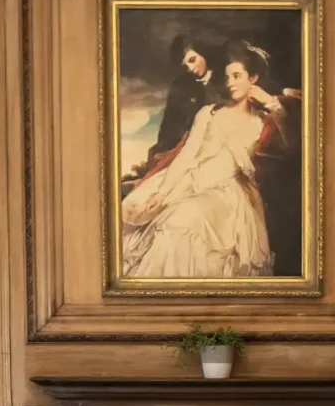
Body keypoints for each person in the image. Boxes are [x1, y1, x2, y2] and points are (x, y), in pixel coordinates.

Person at [120, 41, 300, 279]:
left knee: (187, 218)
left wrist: (274, 106)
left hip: (228, 194)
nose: (230, 82)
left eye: (237, 76)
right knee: (165, 220)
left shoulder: (262, 120)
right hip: (188, 183)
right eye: (227, 76)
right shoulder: (208, 113)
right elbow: (186, 157)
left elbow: (292, 147)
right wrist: (162, 193)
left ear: (252, 79)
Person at [145, 36, 217, 168]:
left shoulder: (224, 80)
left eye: (192, 60)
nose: (190, 68)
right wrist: (162, 148)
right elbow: (169, 124)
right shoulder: (180, 86)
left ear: (203, 53)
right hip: (185, 146)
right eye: (185, 65)